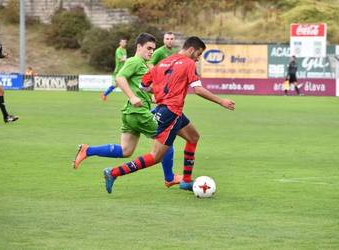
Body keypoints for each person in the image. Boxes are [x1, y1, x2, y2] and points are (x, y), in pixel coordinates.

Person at [102, 36, 235, 194]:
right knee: (156, 156)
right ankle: (114, 173)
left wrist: (161, 93)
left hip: (169, 110)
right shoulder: (189, 63)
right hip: (170, 113)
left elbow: (143, 85)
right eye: (198, 54)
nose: (198, 58)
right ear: (191, 50)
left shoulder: (163, 62)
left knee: (193, 137)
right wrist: (221, 101)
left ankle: (186, 181)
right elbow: (198, 89)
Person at [73, 33, 181, 188]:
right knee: (167, 142)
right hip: (138, 113)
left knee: (126, 150)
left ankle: (87, 150)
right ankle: (170, 178)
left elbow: (140, 89)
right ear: (138, 47)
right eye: (148, 48)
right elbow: (120, 78)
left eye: (153, 49)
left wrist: (153, 98)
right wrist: (131, 97)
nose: (151, 52)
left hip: (130, 113)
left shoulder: (143, 64)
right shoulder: (135, 61)